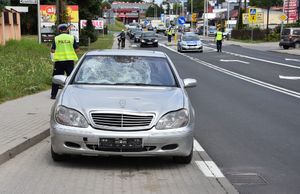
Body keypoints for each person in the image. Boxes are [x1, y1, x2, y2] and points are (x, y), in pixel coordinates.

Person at [50, 24, 79, 99]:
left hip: (59, 62)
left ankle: (53, 95)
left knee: (56, 78)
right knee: (71, 78)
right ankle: (73, 94)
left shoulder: (56, 38)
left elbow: (52, 50)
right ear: (67, 30)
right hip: (69, 61)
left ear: (59, 30)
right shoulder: (72, 38)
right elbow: (77, 50)